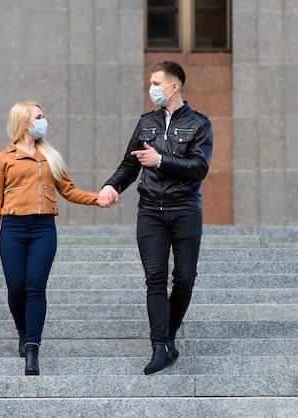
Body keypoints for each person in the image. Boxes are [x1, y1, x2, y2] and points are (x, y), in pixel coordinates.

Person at [98, 61, 213, 375]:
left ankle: (169, 336)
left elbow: (199, 168)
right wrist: (111, 185)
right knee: (155, 279)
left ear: (173, 87)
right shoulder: (146, 122)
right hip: (150, 211)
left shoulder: (199, 124)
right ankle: (159, 346)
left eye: (156, 83)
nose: (152, 88)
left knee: (185, 278)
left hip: (185, 210)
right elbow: (129, 165)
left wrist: (161, 160)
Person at [0, 101, 105, 376]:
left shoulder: (50, 156)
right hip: (13, 228)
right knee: (16, 288)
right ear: (24, 122)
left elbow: (69, 190)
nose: (43, 121)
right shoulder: (3, 158)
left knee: (35, 287)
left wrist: (97, 199)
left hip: (43, 228)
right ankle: (22, 331)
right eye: (39, 117)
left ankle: (32, 348)